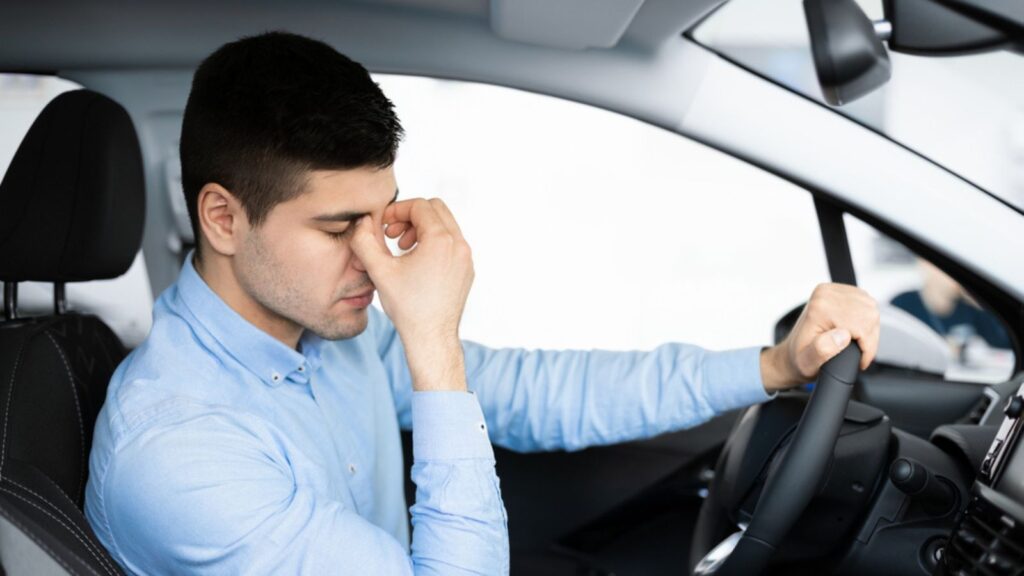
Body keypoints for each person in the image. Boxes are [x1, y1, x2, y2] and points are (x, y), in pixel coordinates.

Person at [84, 32, 880, 575]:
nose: (377, 256)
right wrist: (432, 344)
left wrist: (774, 366)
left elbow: (538, 393)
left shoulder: (327, 336)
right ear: (223, 219)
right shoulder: (179, 451)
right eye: (336, 227)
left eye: (381, 215)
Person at [891, 259, 1011, 350]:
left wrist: (982, 303)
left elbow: (1003, 342)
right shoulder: (902, 305)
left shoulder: (969, 306)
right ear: (927, 266)